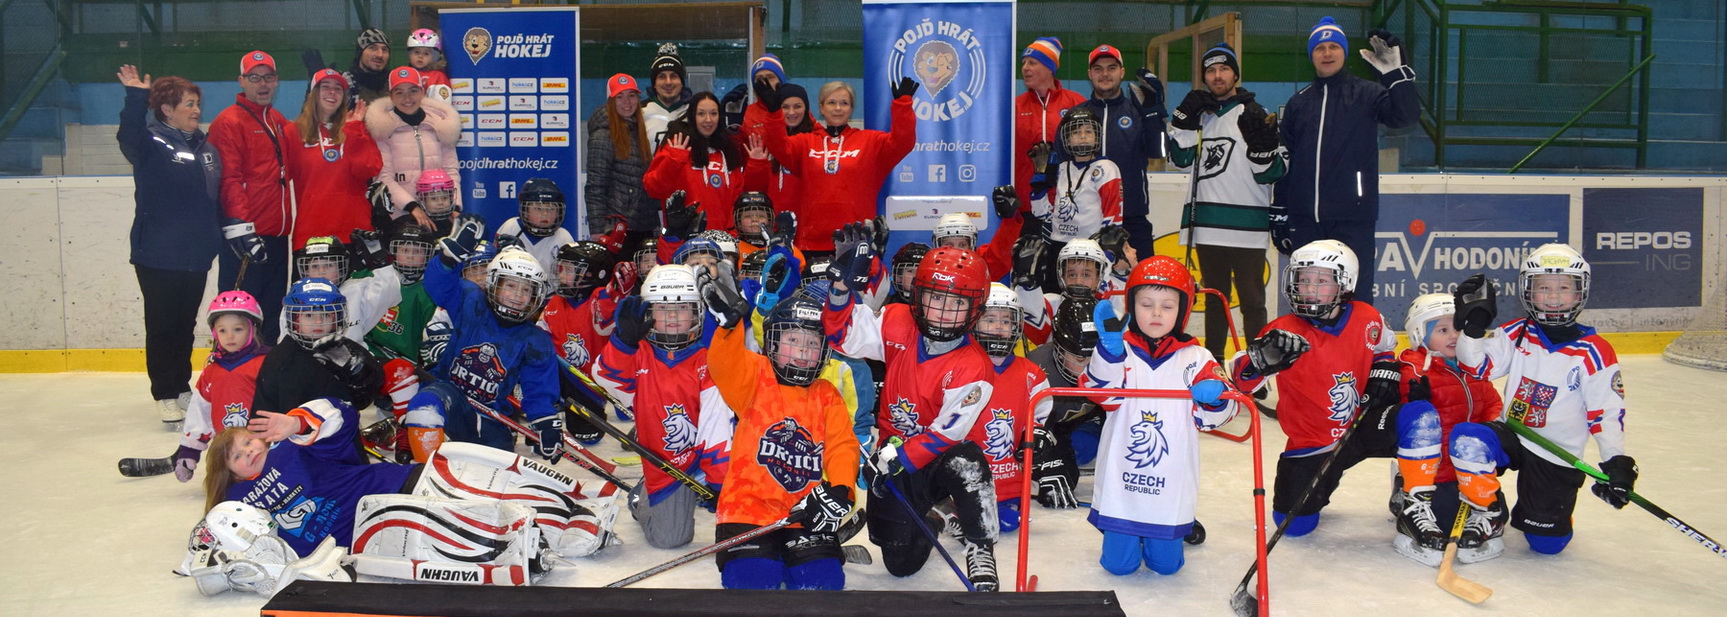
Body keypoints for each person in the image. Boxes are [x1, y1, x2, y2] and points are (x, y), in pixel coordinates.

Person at [202, 397, 616, 561]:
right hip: (378, 536)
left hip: (400, 485)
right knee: (480, 521)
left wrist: (295, 422)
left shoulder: (295, 448)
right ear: (228, 472)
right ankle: (559, 529)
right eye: (237, 456)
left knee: (484, 483)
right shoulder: (237, 505)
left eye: (248, 442)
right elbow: (220, 545)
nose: (249, 452)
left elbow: (341, 415)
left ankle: (578, 504)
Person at [823, 241, 1001, 591]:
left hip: (936, 459)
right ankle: (937, 515)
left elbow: (947, 433)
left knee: (966, 460)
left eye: (957, 302)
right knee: (900, 565)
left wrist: (899, 457)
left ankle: (981, 546)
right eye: (936, 298)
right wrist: (841, 290)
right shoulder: (898, 320)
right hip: (893, 450)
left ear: (975, 308)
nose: (943, 311)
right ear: (918, 296)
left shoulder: (974, 367)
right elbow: (843, 337)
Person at [1446, 244, 1635, 560]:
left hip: (1554, 452)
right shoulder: (1516, 333)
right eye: (1543, 287)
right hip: (1514, 435)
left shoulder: (1595, 351)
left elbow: (1605, 412)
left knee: (1546, 545)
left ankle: (1556, 517)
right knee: (1469, 439)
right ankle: (1488, 510)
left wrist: (1616, 461)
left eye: (1563, 288)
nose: (1553, 296)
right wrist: (1473, 328)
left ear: (1579, 293)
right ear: (1527, 291)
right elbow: (1475, 367)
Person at [1227, 239, 1400, 537]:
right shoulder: (1281, 332)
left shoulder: (1367, 318)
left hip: (1362, 423)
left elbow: (1385, 347)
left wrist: (1384, 368)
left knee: (1420, 416)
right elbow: (1241, 382)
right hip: (1313, 442)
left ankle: (1409, 483)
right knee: (1294, 525)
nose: (1310, 288)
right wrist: (1260, 361)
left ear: (1345, 284)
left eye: (1321, 280)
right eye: (1304, 280)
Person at [1084, 256, 1241, 575]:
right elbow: (1101, 394)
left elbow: (1222, 412)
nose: (1156, 313)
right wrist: (1108, 354)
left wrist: (1215, 396)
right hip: (1122, 481)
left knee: (1166, 566)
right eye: (1146, 303)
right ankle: (1127, 532)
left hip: (1170, 481)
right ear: (1131, 304)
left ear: (1183, 311)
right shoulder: (1120, 349)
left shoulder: (1197, 356)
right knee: (1118, 566)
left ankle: (1166, 533)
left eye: (1167, 306)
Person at [702, 282, 861, 590]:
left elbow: (842, 446)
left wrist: (841, 490)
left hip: (805, 510)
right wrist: (729, 329)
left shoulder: (826, 393)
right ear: (772, 342)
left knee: (822, 584)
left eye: (813, 342)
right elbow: (723, 365)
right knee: (752, 583)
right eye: (792, 339)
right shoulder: (756, 375)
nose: (803, 350)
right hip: (746, 508)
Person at [1272, 18, 1420, 303]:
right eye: (1320, 48)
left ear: (1344, 52)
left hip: (1353, 219)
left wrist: (1395, 75)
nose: (1327, 53)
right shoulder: (1298, 103)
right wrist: (1280, 211)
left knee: (1355, 296)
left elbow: (1406, 116)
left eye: (1334, 47)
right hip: (1305, 221)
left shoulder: (1368, 93)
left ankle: (1357, 348)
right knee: (1308, 299)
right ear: (1311, 55)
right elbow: (1286, 162)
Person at [594, 264, 734, 548]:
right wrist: (623, 345)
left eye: (683, 309)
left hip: (706, 454)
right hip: (666, 460)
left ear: (698, 312)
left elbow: (716, 429)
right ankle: (642, 496)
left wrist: (721, 484)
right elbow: (607, 380)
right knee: (670, 539)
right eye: (661, 309)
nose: (671, 316)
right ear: (648, 313)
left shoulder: (709, 358)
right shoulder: (639, 352)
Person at [116, 64, 223, 428]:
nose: (196, 110)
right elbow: (127, 134)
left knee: (183, 323)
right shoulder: (150, 142)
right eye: (188, 104)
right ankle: (163, 391)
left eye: (197, 104)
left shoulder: (205, 146)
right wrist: (135, 97)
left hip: (195, 255)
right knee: (162, 324)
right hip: (158, 254)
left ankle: (180, 385)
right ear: (166, 109)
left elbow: (212, 199)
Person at [1166, 42, 1285, 361]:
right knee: (1215, 300)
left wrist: (1264, 151)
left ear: (1235, 73)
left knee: (1252, 301)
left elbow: (1273, 173)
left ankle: (1256, 367)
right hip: (1207, 225)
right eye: (1210, 70)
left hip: (1247, 226)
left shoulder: (1254, 113)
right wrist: (1180, 123)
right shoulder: (1200, 115)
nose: (1217, 75)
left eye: (1224, 69)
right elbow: (1180, 159)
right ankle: (1214, 363)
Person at [403, 227, 562, 463]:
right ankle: (427, 469)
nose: (518, 295)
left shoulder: (535, 340)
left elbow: (538, 389)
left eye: (526, 290)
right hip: (449, 394)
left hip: (492, 415)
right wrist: (449, 258)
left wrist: (546, 423)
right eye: (510, 286)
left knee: (494, 467)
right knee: (425, 408)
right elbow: (438, 283)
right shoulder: (472, 302)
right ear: (494, 284)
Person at [1384, 293, 1502, 566]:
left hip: (1470, 469)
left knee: (1496, 514)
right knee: (1446, 524)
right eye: (1442, 330)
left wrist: (1492, 436)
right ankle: (1408, 487)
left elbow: (1493, 406)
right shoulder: (1413, 369)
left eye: (1459, 328)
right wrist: (1412, 396)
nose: (1454, 336)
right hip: (1436, 473)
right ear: (1418, 334)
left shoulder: (1473, 368)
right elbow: (1406, 422)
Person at [756, 78, 918, 256]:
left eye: (844, 103)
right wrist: (773, 113)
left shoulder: (871, 141)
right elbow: (777, 144)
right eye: (831, 103)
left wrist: (902, 105)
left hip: (857, 240)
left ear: (851, 108)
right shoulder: (805, 142)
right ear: (821, 108)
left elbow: (903, 142)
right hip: (812, 242)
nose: (838, 108)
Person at [209, 50, 292, 344]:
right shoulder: (229, 122)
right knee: (238, 315)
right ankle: (230, 377)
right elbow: (228, 179)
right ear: (241, 81)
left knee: (270, 312)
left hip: (277, 235)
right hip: (247, 237)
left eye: (268, 77)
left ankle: (264, 377)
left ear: (277, 81)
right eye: (254, 77)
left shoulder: (276, 119)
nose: (262, 84)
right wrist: (240, 227)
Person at [964, 284, 1053, 533]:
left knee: (1006, 524)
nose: (998, 327)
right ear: (973, 323)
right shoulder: (961, 368)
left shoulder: (1031, 374)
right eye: (989, 319)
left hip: (1009, 479)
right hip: (966, 478)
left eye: (1006, 321)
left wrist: (1035, 441)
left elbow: (1039, 422)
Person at [1074, 44, 1166, 258]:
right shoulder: (1077, 115)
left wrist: (1153, 114)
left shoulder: (1138, 112)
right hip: (1087, 219)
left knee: (1140, 287)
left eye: (1112, 67)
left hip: (1132, 219)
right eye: (1098, 68)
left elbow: (1159, 151)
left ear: (1122, 72)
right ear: (1089, 74)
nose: (1105, 74)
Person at [172, 291, 271, 482]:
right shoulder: (211, 370)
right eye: (222, 330)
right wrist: (189, 451)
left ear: (252, 329)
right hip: (231, 455)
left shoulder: (267, 363)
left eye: (238, 329)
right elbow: (200, 411)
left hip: (264, 451)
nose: (229, 336)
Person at [253, 278, 383, 422]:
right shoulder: (279, 357)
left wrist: (361, 376)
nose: (318, 322)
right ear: (294, 320)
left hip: (340, 437)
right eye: (308, 315)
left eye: (326, 315)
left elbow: (364, 399)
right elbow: (263, 407)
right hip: (291, 437)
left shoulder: (347, 350)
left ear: (338, 317)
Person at [286, 68, 382, 250]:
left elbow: (368, 169)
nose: (332, 92)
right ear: (313, 93)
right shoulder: (292, 132)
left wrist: (353, 129)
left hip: (354, 232)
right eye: (326, 87)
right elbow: (279, 180)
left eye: (338, 88)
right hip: (311, 234)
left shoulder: (356, 128)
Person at [644, 91, 763, 229]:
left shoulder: (728, 150)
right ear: (692, 117)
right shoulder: (677, 146)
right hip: (685, 241)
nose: (708, 120)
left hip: (724, 241)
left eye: (713, 113)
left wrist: (757, 166)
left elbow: (739, 199)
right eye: (701, 114)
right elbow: (653, 188)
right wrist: (673, 160)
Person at [366, 66, 458, 228]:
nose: (407, 98)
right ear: (391, 97)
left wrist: (454, 206)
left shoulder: (441, 125)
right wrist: (411, 207)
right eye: (399, 92)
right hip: (400, 214)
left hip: (439, 211)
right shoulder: (382, 130)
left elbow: (451, 170)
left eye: (413, 91)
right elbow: (383, 177)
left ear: (422, 93)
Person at [1015, 37, 1087, 217]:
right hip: (1025, 205)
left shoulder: (1076, 103)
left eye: (1032, 62)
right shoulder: (1015, 107)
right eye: (1024, 62)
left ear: (1050, 68)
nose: (1025, 68)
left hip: (1070, 205)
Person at [585, 74, 656, 251]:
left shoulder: (637, 131)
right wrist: (597, 231)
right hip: (615, 228)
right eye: (620, 96)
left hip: (641, 226)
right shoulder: (603, 135)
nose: (627, 102)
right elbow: (595, 186)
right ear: (611, 100)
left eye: (631, 95)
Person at [744, 83, 811, 215]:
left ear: (806, 108)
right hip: (774, 221)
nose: (791, 112)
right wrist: (757, 165)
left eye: (797, 106)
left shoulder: (816, 140)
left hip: (806, 221)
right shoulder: (767, 141)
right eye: (785, 107)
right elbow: (755, 191)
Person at [494, 178, 576, 273]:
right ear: (525, 212)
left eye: (551, 209)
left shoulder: (563, 237)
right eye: (538, 208)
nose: (545, 214)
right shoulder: (511, 227)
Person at [642, 43, 693, 154]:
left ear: (682, 82)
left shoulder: (695, 112)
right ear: (654, 84)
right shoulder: (639, 112)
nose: (668, 82)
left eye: (674, 76)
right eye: (662, 76)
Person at [413, 168, 481, 239]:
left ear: (451, 197)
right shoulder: (415, 223)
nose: (440, 202)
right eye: (433, 198)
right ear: (423, 199)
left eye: (445, 198)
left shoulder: (460, 222)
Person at [346, 28, 392, 103]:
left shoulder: (393, 83)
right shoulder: (346, 84)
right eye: (372, 48)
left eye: (384, 50)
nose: (380, 55)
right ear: (360, 53)